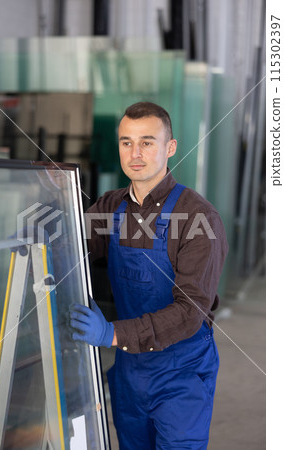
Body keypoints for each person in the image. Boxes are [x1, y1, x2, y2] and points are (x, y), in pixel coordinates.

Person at [70, 102, 229, 449]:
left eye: (147, 142)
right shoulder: (109, 208)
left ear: (170, 148)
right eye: (127, 142)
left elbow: (190, 312)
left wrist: (111, 332)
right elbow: (69, 247)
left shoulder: (198, 218)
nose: (135, 153)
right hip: (129, 371)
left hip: (180, 373)